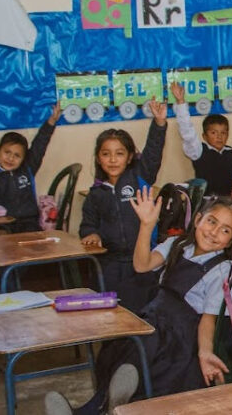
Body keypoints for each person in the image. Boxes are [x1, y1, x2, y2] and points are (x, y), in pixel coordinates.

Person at [45, 192, 232, 415]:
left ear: (230, 241)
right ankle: (103, 405)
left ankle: (99, 409)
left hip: (181, 334)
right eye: (211, 221)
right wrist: (146, 225)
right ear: (197, 219)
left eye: (225, 230)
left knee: (145, 349)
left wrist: (205, 352)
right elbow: (142, 265)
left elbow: (208, 320)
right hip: (153, 316)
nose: (214, 232)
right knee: (119, 346)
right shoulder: (177, 243)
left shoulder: (221, 270)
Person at [80, 98, 167, 310]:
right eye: (106, 154)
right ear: (98, 158)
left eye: (119, 154)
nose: (112, 160)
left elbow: (153, 153)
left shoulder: (139, 177)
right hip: (109, 262)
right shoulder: (95, 194)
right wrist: (92, 235)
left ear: (129, 157)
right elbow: (87, 225)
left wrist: (159, 124)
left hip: (141, 260)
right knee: (111, 310)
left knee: (142, 309)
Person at [0, 103, 61, 233]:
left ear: (24, 159)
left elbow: (39, 145)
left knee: (36, 241)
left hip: (28, 222)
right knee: (1, 237)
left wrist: (51, 122)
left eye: (17, 155)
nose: (11, 158)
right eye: (7, 152)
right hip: (3, 223)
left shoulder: (27, 169)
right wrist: (2, 223)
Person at [170, 82, 232, 197]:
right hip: (204, 202)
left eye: (223, 133)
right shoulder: (198, 151)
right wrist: (180, 103)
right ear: (204, 136)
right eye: (213, 133)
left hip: (226, 202)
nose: (219, 136)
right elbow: (187, 132)